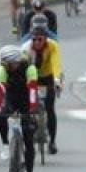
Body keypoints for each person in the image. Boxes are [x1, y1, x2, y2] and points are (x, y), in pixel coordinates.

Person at [0, 44, 41, 172]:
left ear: (15, 61)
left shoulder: (29, 69)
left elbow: (32, 91)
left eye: (7, 63)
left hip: (27, 100)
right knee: (2, 118)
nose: (4, 66)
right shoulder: (2, 70)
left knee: (28, 138)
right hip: (11, 98)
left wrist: (33, 110)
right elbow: (0, 92)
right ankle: (5, 144)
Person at [22, 21, 63, 155]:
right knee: (29, 107)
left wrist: (57, 80)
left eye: (40, 39)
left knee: (50, 108)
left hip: (48, 77)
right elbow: (22, 68)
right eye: (34, 39)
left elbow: (56, 64)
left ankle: (52, 142)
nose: (37, 42)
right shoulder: (26, 48)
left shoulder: (52, 46)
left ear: (46, 38)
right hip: (32, 77)